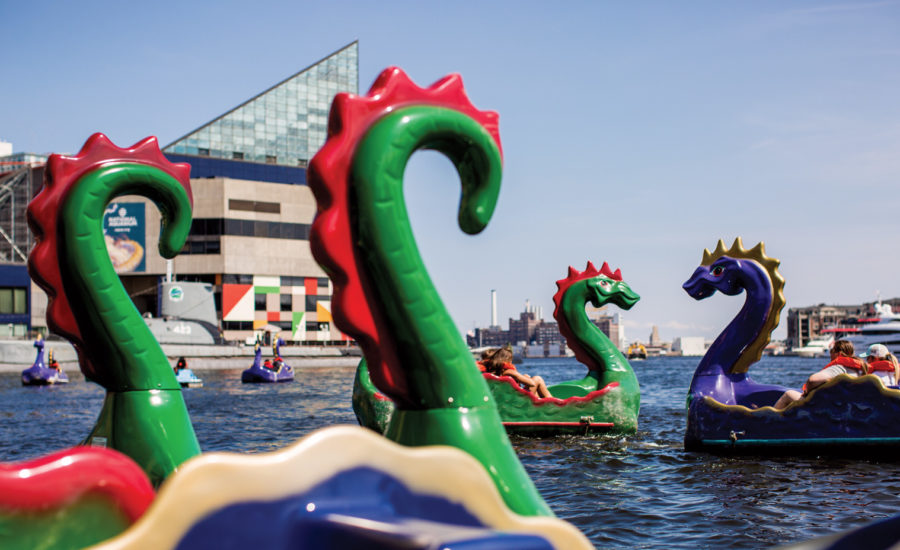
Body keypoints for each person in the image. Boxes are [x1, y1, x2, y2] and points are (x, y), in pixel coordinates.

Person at [773, 339, 867, 409]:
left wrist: (807, 393)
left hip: (822, 406)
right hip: (842, 405)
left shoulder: (838, 368)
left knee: (788, 394)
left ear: (838, 354)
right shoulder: (858, 371)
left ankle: (770, 423)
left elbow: (812, 380)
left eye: (832, 351)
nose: (830, 354)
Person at [480, 347, 553, 398]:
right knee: (537, 379)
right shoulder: (508, 371)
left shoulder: (493, 371)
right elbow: (532, 383)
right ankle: (553, 404)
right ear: (508, 359)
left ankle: (543, 403)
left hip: (507, 398)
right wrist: (523, 378)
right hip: (518, 401)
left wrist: (524, 377)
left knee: (526, 377)